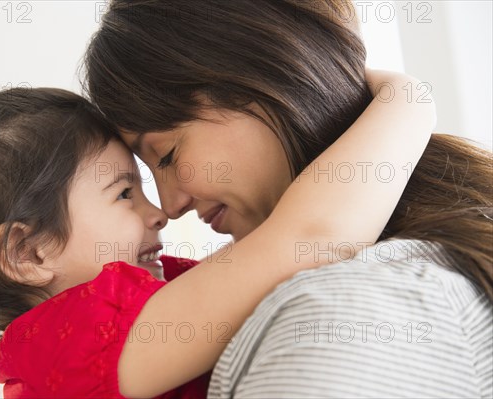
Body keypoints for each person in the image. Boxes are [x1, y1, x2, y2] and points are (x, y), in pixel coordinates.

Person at [0, 61, 434, 398]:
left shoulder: (141, 302)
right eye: (125, 192)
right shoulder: (70, 343)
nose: (161, 212)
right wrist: (405, 97)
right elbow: (308, 240)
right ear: (28, 250)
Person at [85, 0, 493, 397]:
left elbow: (314, 236)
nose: (170, 207)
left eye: (167, 155)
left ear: (260, 80)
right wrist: (407, 98)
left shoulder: (346, 315)